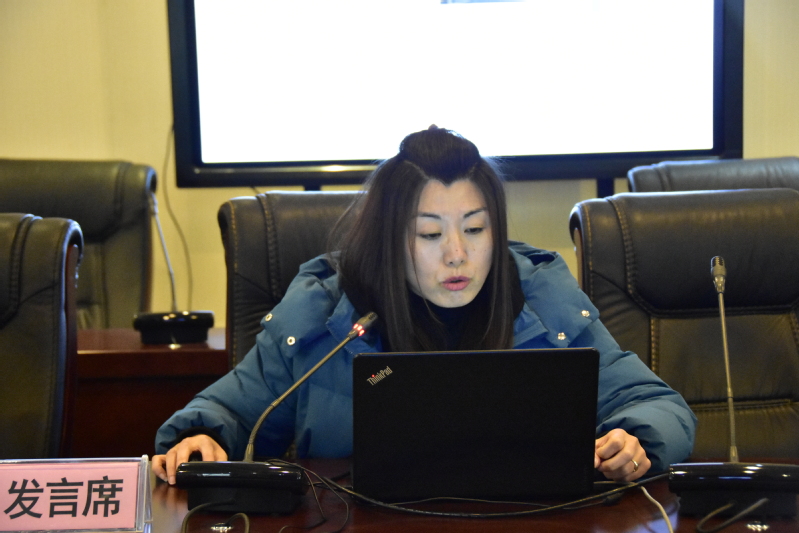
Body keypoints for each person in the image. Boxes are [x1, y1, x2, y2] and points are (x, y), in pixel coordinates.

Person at [152, 126, 696, 486]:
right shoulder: (328, 313)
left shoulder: (542, 300)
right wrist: (203, 437)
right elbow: (231, 413)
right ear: (391, 239)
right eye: (430, 235)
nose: (457, 254)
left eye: (476, 229)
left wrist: (635, 438)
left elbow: (658, 406)